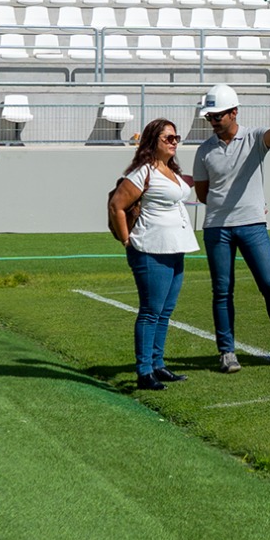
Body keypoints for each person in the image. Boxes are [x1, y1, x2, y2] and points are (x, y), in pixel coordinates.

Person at [192, 83, 270, 373]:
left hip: (252, 225)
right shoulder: (204, 151)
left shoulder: (253, 138)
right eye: (209, 117)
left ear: (234, 113)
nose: (212, 122)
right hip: (217, 228)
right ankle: (226, 353)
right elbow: (202, 193)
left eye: (217, 116)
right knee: (222, 291)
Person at [107, 118, 199, 391]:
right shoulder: (142, 172)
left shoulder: (171, 170)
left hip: (175, 247)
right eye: (167, 138)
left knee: (165, 311)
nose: (173, 142)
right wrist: (127, 240)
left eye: (175, 138)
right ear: (152, 141)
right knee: (150, 311)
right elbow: (117, 205)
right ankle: (144, 370)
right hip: (151, 248)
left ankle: (158, 364)